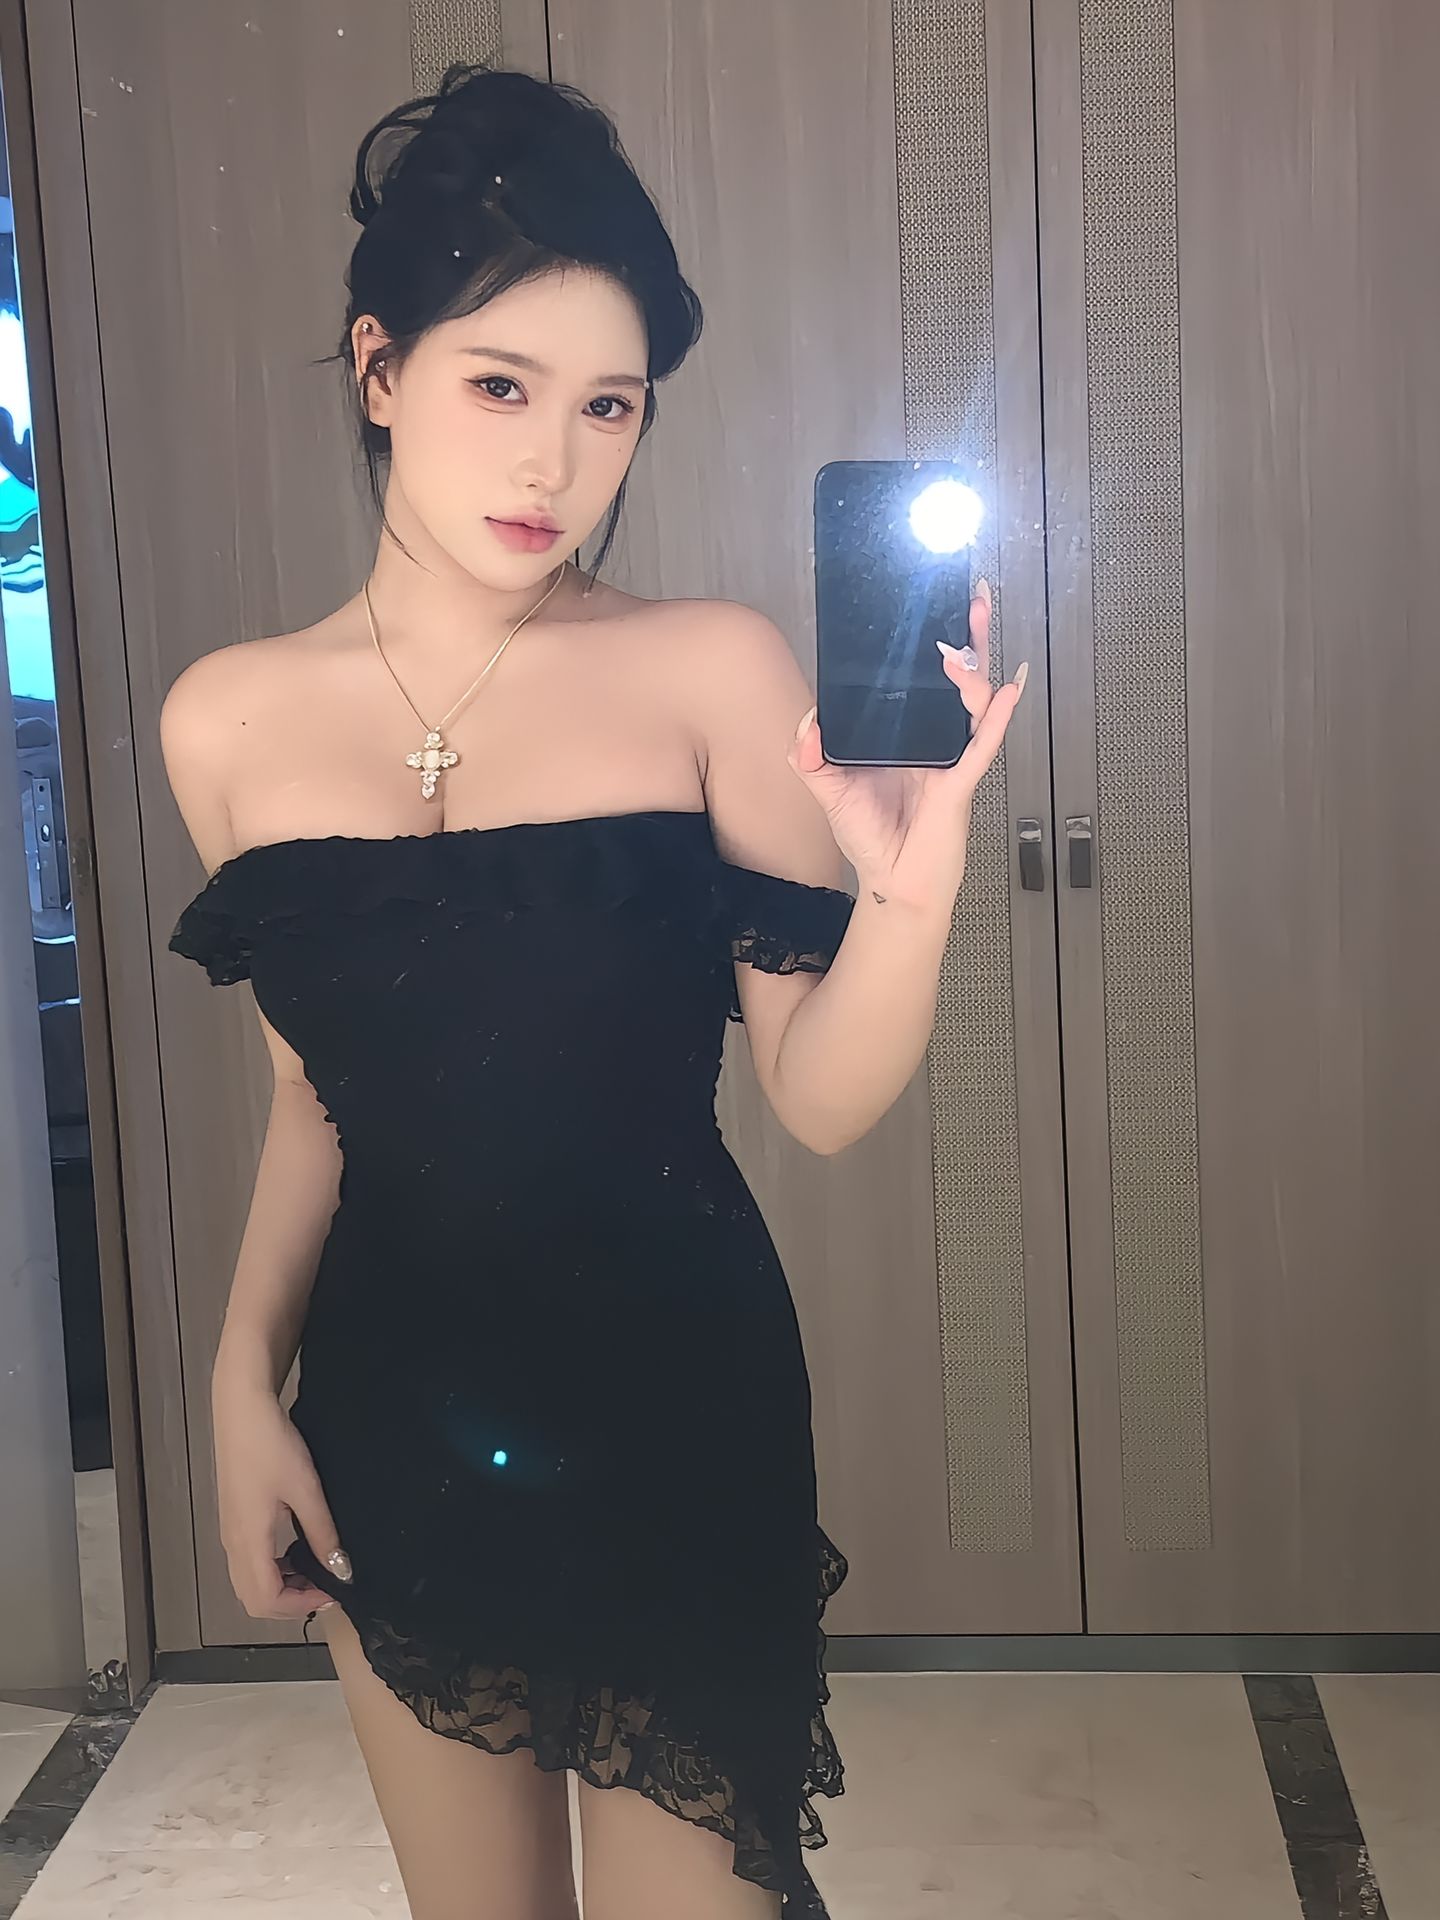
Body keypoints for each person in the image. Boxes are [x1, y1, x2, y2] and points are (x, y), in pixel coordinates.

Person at [161, 63, 1023, 1920]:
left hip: (675, 1402)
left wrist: (910, 894)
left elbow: (819, 1096)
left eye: (607, 405)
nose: (554, 464)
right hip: (394, 1412)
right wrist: (239, 1380)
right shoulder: (227, 721)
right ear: (379, 369)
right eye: (501, 387)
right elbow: (314, 1095)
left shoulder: (710, 667)